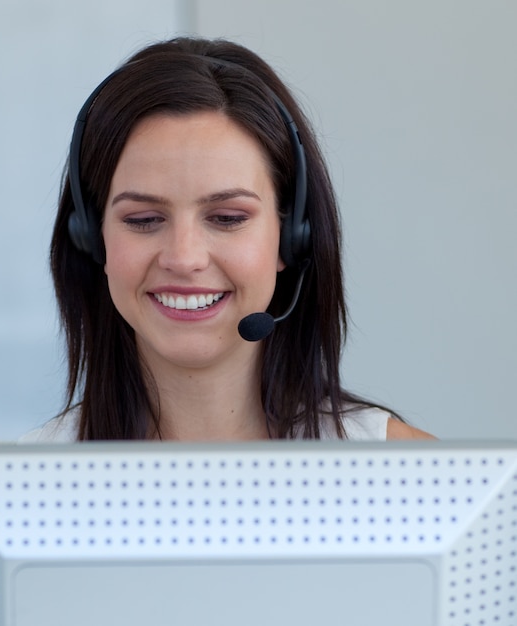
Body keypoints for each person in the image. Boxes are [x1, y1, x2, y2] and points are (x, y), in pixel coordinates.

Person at [22, 36, 433, 443]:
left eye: (227, 217)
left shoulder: (408, 471)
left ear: (292, 237)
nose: (184, 258)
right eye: (144, 219)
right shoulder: (28, 486)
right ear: (92, 238)